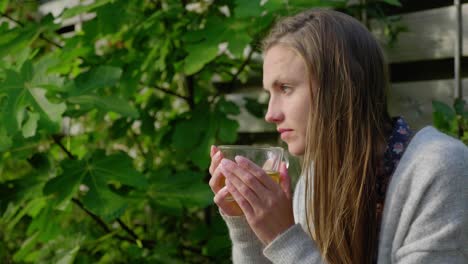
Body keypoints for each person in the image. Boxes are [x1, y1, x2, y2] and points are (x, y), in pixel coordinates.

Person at [208, 9, 468, 264]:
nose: (270, 114)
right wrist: (248, 226)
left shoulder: (441, 170)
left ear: (342, 88)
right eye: (269, 94)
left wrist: (284, 238)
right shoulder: (313, 182)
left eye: (285, 88)